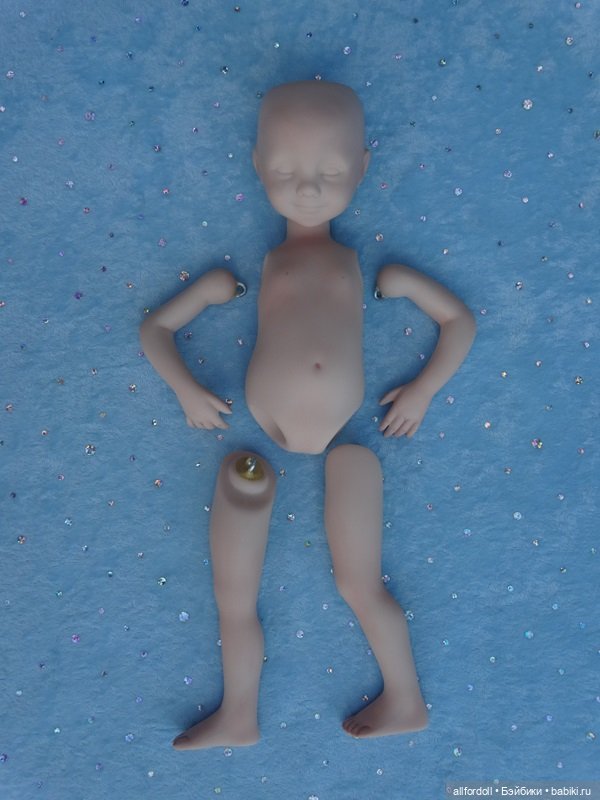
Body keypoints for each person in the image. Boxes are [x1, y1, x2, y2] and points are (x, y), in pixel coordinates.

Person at [139, 80, 476, 750]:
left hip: (350, 436)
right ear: (257, 166)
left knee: (360, 581)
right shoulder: (243, 273)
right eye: (287, 171)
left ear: (363, 167)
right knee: (235, 594)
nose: (310, 190)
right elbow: (155, 330)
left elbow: (459, 321)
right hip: (253, 435)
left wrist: (422, 390)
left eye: (330, 172)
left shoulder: (373, 270)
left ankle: (407, 698)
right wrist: (186, 390)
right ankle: (239, 713)